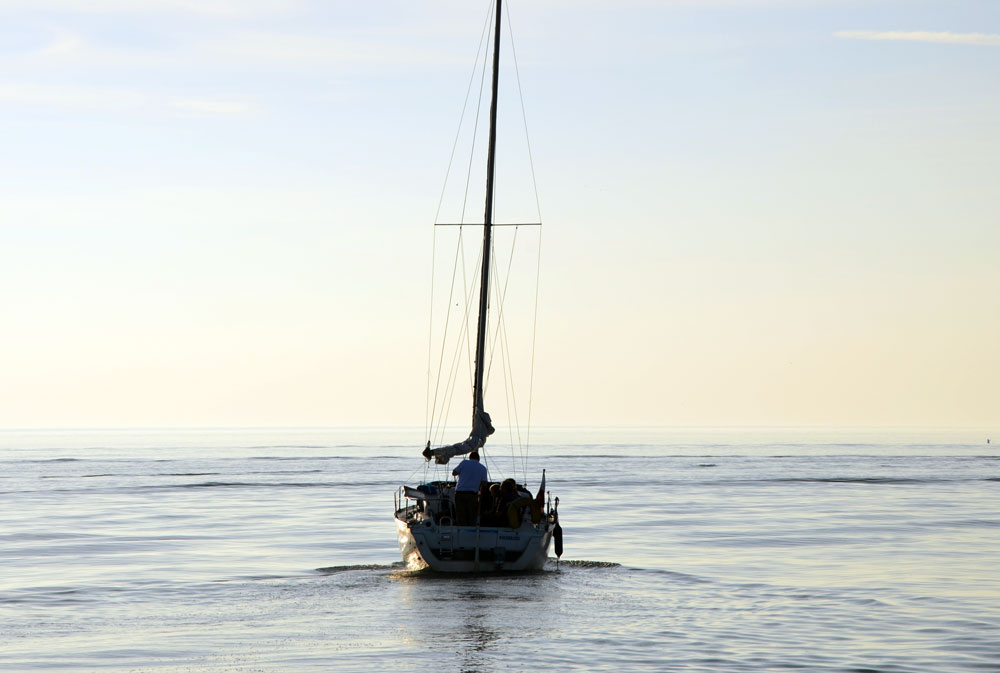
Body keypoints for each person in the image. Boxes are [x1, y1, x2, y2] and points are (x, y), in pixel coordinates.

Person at [452, 451, 488, 525]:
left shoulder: (464, 463)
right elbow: (484, 484)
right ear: (478, 459)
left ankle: (461, 531)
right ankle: (471, 531)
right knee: (472, 516)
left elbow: (454, 473)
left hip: (460, 494)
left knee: (461, 515)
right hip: (472, 495)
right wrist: (481, 496)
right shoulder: (483, 468)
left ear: (470, 457)